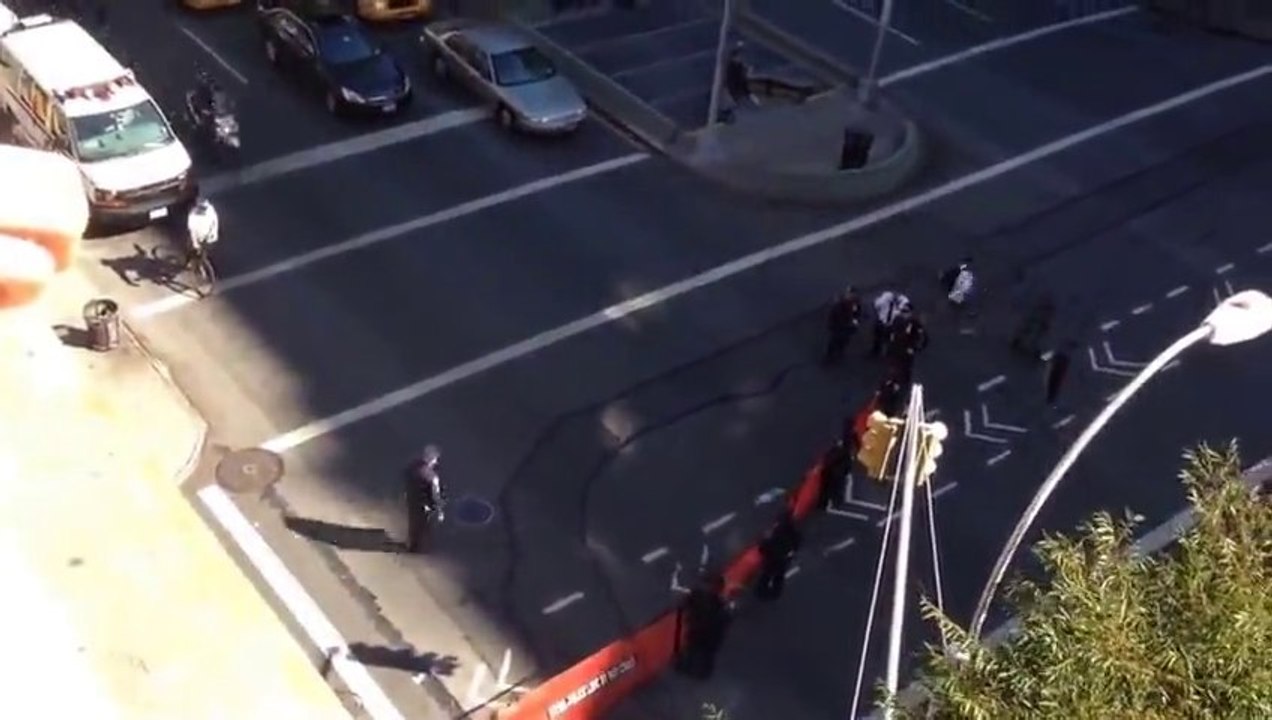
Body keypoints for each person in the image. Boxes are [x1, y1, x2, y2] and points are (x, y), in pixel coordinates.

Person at [675, 573, 730, 680]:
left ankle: (696, 669)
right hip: (701, 631)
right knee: (695, 649)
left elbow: (685, 603)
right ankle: (694, 668)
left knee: (701, 651)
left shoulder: (705, 598)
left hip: (705, 632)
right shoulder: (717, 603)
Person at [403, 445, 446, 553]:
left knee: (413, 523)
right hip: (425, 507)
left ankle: (412, 544)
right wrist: (440, 510)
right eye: (435, 459)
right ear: (432, 459)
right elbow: (435, 495)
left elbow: (406, 480)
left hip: (412, 501)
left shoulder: (412, 467)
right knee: (424, 527)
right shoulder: (432, 477)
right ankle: (418, 547)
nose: (436, 462)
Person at [755, 511, 801, 601]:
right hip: (784, 559)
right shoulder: (794, 533)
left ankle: (761, 591)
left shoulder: (775, 534)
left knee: (766, 575)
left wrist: (763, 545)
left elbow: (764, 547)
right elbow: (796, 545)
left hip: (772, 559)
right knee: (779, 577)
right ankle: (775, 593)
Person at [887, 309, 928, 387]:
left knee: (901, 363)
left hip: (901, 346)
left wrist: (918, 347)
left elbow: (923, 335)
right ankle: (899, 379)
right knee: (901, 363)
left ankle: (900, 380)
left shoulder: (905, 321)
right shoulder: (900, 320)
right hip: (902, 347)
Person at [823, 286, 862, 365]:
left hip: (847, 326)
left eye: (853, 294)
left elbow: (856, 314)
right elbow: (832, 315)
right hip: (838, 326)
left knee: (844, 340)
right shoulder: (839, 303)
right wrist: (831, 325)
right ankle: (829, 357)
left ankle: (840, 352)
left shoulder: (855, 304)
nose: (851, 296)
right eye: (850, 294)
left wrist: (855, 323)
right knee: (833, 341)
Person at [1012, 295, 1055, 360]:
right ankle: (1018, 342)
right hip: (1034, 322)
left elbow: (1047, 320)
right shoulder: (1038, 308)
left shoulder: (1046, 311)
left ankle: (1038, 353)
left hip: (1038, 323)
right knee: (1028, 332)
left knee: (1037, 338)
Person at [870, 290, 907, 357]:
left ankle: (888, 352)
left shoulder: (903, 302)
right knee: (877, 336)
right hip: (882, 321)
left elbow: (905, 313)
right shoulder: (885, 297)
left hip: (892, 324)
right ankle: (876, 351)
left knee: (890, 339)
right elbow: (877, 304)